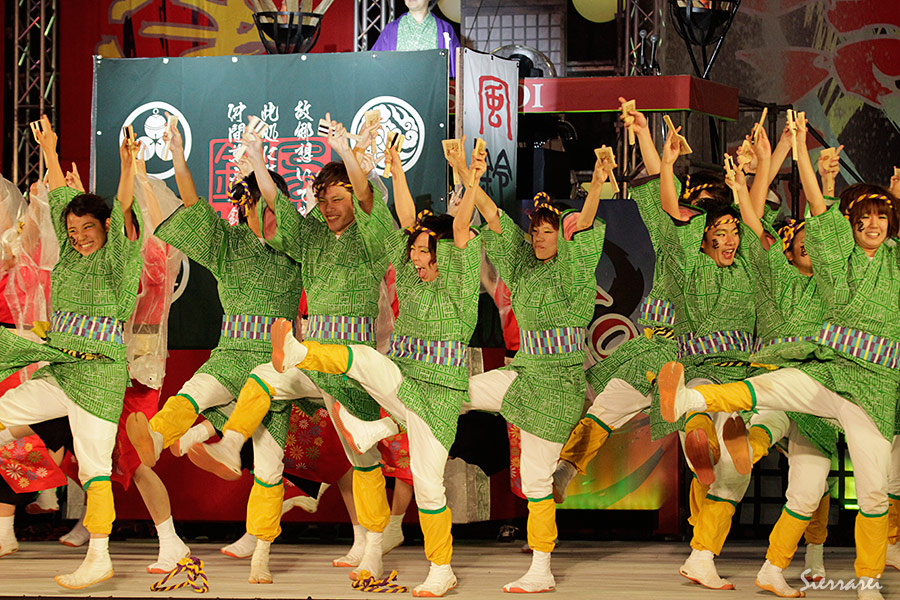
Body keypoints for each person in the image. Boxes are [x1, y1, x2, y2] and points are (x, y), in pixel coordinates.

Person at [660, 115, 900, 600]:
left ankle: (851, 577)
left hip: (873, 390)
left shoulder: (891, 261)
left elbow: (851, 216)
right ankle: (691, 404)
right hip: (826, 370)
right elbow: (811, 211)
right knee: (771, 390)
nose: (872, 225)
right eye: (863, 219)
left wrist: (888, 193)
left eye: (881, 217)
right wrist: (801, 159)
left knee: (850, 488)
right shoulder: (831, 264)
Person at [187, 115, 399, 582]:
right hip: (309, 354)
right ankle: (232, 444)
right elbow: (275, 205)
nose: (328, 207)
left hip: (352, 362)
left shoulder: (371, 238)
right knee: (264, 376)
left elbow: (369, 199)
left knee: (361, 457)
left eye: (337, 198)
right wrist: (258, 161)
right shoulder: (314, 236)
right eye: (322, 199)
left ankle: (373, 546)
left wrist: (346, 153)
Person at [268, 140, 483, 597]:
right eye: (415, 251)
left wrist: (470, 178)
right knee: (364, 358)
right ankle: (302, 355)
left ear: (443, 254)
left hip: (439, 398)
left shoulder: (460, 282)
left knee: (429, 488)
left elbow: (461, 230)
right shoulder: (410, 274)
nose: (415, 256)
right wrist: (396, 170)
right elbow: (404, 221)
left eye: (423, 251)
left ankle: (441, 569)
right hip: (406, 380)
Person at [125, 117, 305, 584]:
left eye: (271, 206)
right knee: (196, 390)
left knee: (269, 463)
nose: (263, 216)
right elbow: (192, 206)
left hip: (274, 361)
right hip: (231, 351)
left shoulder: (298, 249)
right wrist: (178, 156)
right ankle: (158, 438)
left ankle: (261, 553)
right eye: (253, 206)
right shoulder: (229, 243)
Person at [0, 115, 143, 589]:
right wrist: (50, 149)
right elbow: (61, 194)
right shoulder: (68, 251)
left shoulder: (118, 258)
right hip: (61, 367)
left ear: (106, 227)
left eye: (88, 227)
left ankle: (99, 556)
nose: (79, 234)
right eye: (73, 228)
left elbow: (124, 209)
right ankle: (34, 488)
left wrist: (127, 168)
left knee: (95, 466)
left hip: (99, 376)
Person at [458, 142, 606, 593]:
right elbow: (494, 219)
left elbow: (584, 228)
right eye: (535, 231)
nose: (539, 237)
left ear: (562, 236)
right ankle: (391, 420)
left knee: (538, 480)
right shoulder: (522, 269)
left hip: (558, 385)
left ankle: (541, 567)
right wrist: (470, 179)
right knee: (453, 389)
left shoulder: (575, 270)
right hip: (523, 374)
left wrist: (596, 184)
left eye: (548, 231)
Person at [371, 0, 461, 78]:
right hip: (397, 90)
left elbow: (457, 70)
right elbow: (373, 66)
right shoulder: (391, 30)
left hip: (434, 91)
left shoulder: (445, 30)